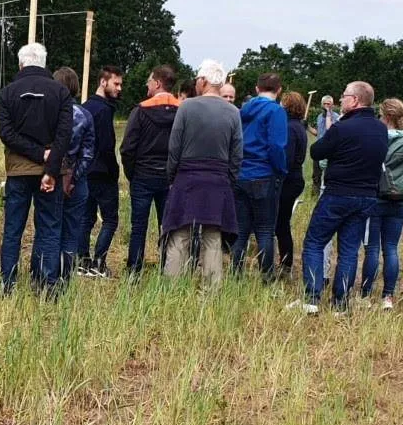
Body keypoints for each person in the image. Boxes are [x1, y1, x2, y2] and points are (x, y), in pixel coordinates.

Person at [298, 82, 388, 312]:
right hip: (366, 196)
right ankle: (340, 303)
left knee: (315, 242)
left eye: (344, 96)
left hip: (338, 193)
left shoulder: (342, 128)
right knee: (349, 250)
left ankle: (311, 298)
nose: (340, 100)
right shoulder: (380, 129)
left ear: (355, 100)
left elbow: (316, 151)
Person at [0, 42, 73, 294]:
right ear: (43, 63)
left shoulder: (7, 93)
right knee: (49, 228)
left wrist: (36, 154)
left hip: (18, 171)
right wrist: (49, 168)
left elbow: (7, 134)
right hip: (50, 173)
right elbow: (64, 135)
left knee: (13, 229)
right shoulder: (61, 93)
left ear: (21, 64)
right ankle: (47, 284)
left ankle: (8, 284)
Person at [161, 60, 242, 284]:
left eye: (197, 79)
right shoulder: (233, 112)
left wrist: (172, 177)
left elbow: (174, 147)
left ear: (204, 81)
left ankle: (171, 287)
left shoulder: (186, 107)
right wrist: (228, 180)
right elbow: (237, 154)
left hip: (187, 177)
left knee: (179, 233)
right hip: (218, 180)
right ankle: (212, 290)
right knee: (212, 237)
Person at [120, 65, 181, 276]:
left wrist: (131, 173)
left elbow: (127, 147)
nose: (147, 84)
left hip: (143, 175)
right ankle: (167, 267)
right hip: (169, 176)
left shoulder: (140, 111)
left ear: (157, 83)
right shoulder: (181, 111)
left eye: (149, 81)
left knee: (138, 226)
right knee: (168, 225)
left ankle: (134, 269)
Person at [360, 99, 403, 309]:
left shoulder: (378, 136)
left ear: (387, 116)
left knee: (372, 249)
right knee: (391, 248)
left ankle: (366, 295)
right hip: (400, 198)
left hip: (377, 195)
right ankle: (388, 297)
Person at [231, 73, 287, 280]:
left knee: (241, 229)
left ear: (257, 89)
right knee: (264, 230)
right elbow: (276, 146)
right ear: (279, 90)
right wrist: (281, 170)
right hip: (263, 173)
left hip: (241, 173)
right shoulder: (276, 111)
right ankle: (266, 275)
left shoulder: (243, 110)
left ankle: (236, 273)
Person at [77, 66, 123, 277]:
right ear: (103, 82)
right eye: (116, 83)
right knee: (110, 220)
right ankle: (98, 262)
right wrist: (114, 170)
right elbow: (106, 146)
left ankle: (82, 260)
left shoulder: (85, 107)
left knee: (86, 218)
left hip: (85, 171)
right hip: (103, 173)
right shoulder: (104, 111)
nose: (119, 88)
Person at [54, 66, 96, 283]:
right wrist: (73, 179)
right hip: (77, 183)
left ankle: (45, 275)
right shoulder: (85, 115)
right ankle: (65, 278)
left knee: (49, 229)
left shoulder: (50, 113)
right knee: (71, 232)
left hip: (51, 178)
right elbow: (87, 155)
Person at [274, 91, 310, 277]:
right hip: (295, 178)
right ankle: (285, 261)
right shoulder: (299, 127)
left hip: (288, 181)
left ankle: (286, 263)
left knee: (281, 224)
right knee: (282, 223)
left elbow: (286, 159)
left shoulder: (289, 128)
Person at [311, 95, 339, 195]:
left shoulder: (336, 117)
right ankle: (315, 194)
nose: (326, 106)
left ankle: (328, 193)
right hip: (320, 147)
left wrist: (328, 114)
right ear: (321, 105)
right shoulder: (319, 117)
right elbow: (317, 133)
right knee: (316, 174)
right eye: (324, 104)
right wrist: (307, 127)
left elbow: (329, 129)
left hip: (330, 149)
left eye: (329, 104)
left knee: (329, 173)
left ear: (332, 105)